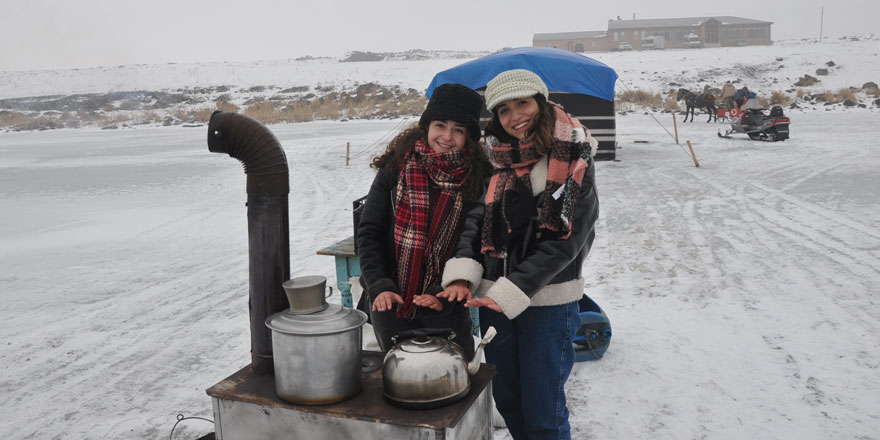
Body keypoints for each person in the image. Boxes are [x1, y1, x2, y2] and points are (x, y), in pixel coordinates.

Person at [438, 69, 599, 440]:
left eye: (522, 103)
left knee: (545, 411)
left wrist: (515, 288)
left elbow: (567, 241)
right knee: (508, 399)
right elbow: (476, 218)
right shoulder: (496, 158)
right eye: (504, 109)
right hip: (494, 300)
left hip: (548, 302)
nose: (515, 116)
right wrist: (464, 273)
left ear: (540, 102)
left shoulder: (574, 156)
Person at [356, 83, 488, 358]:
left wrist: (444, 294)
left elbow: (474, 243)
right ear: (427, 126)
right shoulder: (394, 170)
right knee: (400, 378)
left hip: (446, 306)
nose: (447, 137)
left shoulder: (477, 180)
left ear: (469, 138)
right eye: (440, 125)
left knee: (454, 377)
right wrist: (379, 286)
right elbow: (369, 234)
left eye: (459, 130)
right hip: (392, 302)